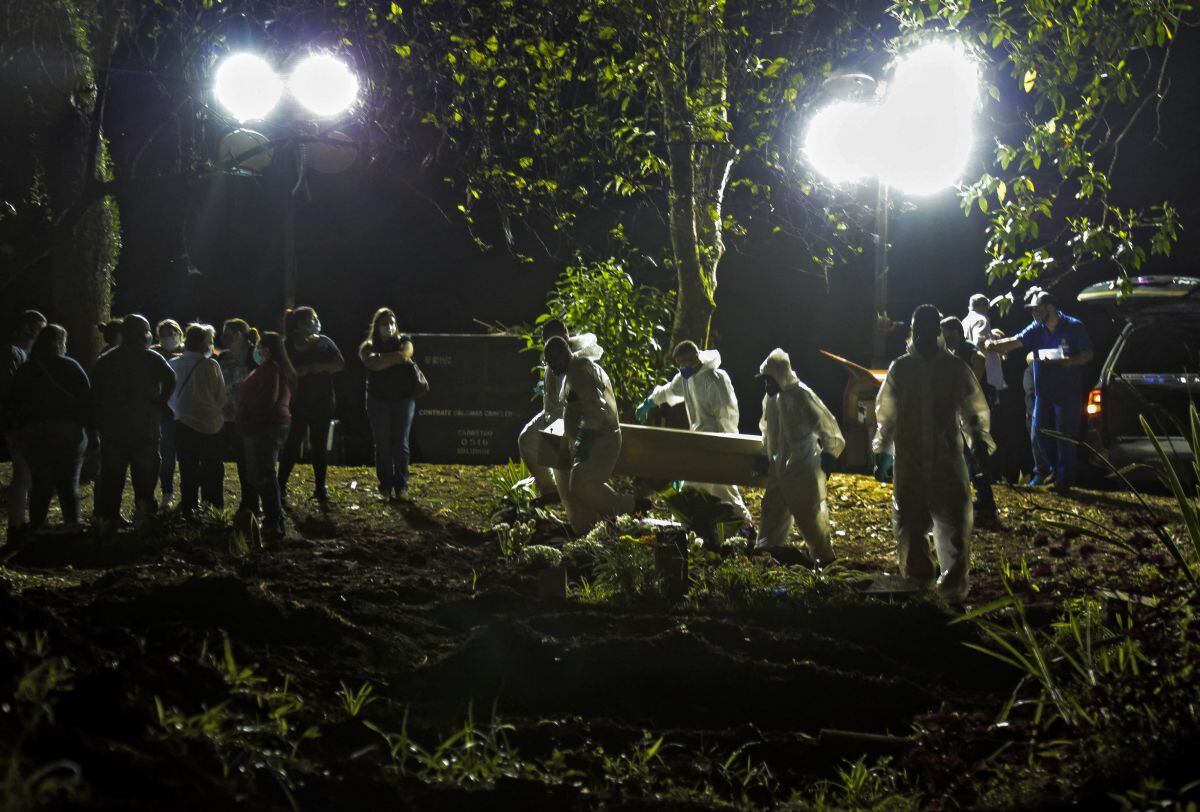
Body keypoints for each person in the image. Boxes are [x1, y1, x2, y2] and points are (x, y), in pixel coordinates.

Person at [874, 305, 994, 603]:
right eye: (920, 330)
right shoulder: (901, 368)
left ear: (937, 331)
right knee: (911, 529)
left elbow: (973, 410)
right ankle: (918, 591)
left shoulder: (953, 368)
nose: (924, 336)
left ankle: (952, 595)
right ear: (913, 332)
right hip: (910, 463)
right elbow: (887, 415)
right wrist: (882, 451)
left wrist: (978, 439)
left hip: (947, 463)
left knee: (954, 529)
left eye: (929, 330)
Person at [985, 291, 1093, 490]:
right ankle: (1051, 470)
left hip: (1067, 391)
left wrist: (1070, 361)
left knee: (1064, 435)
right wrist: (992, 345)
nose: (1034, 313)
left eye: (1037, 309)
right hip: (1043, 391)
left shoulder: (1074, 327)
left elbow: (1087, 354)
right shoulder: (1037, 328)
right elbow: (1015, 341)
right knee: (1038, 433)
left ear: (1050, 307)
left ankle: (1064, 480)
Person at [636, 340, 751, 522]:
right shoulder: (686, 379)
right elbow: (669, 390)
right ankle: (729, 525)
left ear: (696, 356)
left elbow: (726, 414)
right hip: (698, 441)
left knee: (715, 486)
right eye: (680, 363)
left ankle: (739, 524)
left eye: (687, 361)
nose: (684, 366)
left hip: (716, 441)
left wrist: (728, 444)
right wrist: (650, 401)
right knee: (710, 486)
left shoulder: (714, 379)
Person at [754, 348, 844, 565]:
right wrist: (765, 455)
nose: (767, 385)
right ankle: (766, 560)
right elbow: (767, 430)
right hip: (779, 472)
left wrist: (830, 453)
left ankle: (825, 564)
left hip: (803, 470)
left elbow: (827, 426)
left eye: (770, 379)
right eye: (765, 380)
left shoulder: (801, 396)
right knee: (771, 517)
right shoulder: (771, 400)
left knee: (811, 521)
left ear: (780, 376)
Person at [544, 336, 641, 534]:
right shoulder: (573, 371)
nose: (552, 368)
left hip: (600, 438)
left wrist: (584, 442)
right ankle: (613, 518)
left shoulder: (580, 371)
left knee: (583, 485)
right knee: (580, 486)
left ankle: (629, 508)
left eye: (554, 361)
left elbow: (595, 410)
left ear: (564, 354)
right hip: (594, 438)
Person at [91, 315, 177, 531]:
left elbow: (95, 393)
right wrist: (160, 402)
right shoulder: (151, 358)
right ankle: (145, 519)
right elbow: (171, 379)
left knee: (112, 478)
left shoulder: (106, 360)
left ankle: (109, 520)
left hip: (114, 430)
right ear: (141, 334)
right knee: (145, 480)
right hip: (145, 429)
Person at [7, 323, 90, 533]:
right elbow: (87, 400)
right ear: (60, 343)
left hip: (33, 433)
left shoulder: (27, 368)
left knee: (40, 483)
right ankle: (72, 527)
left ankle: (36, 528)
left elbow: (14, 401)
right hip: (68, 432)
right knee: (68, 482)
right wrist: (92, 433)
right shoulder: (71, 366)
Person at [517, 319, 603, 507]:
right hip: (552, 413)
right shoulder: (552, 355)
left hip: (574, 416)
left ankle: (576, 502)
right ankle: (549, 490)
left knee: (555, 452)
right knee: (526, 439)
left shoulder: (579, 358)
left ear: (566, 335)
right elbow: (552, 392)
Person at [278, 307, 344, 505]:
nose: (316, 321)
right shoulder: (288, 345)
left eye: (316, 318)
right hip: (298, 402)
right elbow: (281, 369)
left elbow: (340, 363)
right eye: (312, 319)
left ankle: (320, 487)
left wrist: (319, 367)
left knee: (319, 445)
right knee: (292, 443)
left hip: (323, 401)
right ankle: (280, 485)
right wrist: (298, 371)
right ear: (299, 324)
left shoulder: (324, 342)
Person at [236, 332, 294, 540]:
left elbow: (266, 400)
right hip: (269, 425)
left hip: (263, 426)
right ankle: (274, 519)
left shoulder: (270, 369)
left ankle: (273, 520)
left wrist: (249, 420)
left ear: (267, 349)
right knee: (262, 473)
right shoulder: (274, 369)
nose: (257, 350)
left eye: (260, 346)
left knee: (262, 474)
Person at [358, 308, 419, 500]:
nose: (389, 326)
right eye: (384, 323)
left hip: (403, 399)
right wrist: (394, 359)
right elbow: (371, 363)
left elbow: (404, 355)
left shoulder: (404, 341)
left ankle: (401, 486)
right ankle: (385, 486)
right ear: (377, 326)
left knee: (401, 443)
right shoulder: (367, 345)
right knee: (382, 443)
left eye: (392, 322)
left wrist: (383, 360)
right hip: (378, 400)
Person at [942, 316, 997, 526]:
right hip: (964, 410)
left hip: (973, 411)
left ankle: (987, 500)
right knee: (968, 453)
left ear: (955, 331)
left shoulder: (966, 346)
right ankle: (979, 496)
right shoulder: (954, 351)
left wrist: (971, 386)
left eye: (945, 332)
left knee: (977, 453)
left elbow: (980, 359)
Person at [169, 323, 226, 514]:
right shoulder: (211, 365)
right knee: (213, 468)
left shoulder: (173, 364)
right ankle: (214, 507)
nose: (210, 345)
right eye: (209, 341)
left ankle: (189, 507)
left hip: (183, 423)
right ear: (202, 343)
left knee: (188, 468)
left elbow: (168, 395)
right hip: (211, 425)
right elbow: (221, 396)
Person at [2, 309, 47, 535]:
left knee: (25, 473)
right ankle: (17, 525)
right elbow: (11, 389)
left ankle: (19, 522)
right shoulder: (13, 354)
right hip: (18, 421)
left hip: (21, 420)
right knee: (23, 472)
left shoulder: (22, 354)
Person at [218, 319, 260, 514]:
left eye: (229, 334)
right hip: (225, 417)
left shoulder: (255, 356)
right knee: (218, 459)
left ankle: (251, 503)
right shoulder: (223, 358)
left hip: (249, 417)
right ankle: (215, 502)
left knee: (247, 462)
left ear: (239, 335)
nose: (224, 338)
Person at [152, 319, 185, 508]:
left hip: (186, 409)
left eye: (171, 333)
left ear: (179, 334)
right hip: (166, 412)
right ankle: (167, 492)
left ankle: (188, 493)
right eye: (163, 334)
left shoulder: (188, 352)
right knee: (167, 453)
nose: (168, 338)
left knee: (187, 454)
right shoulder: (155, 353)